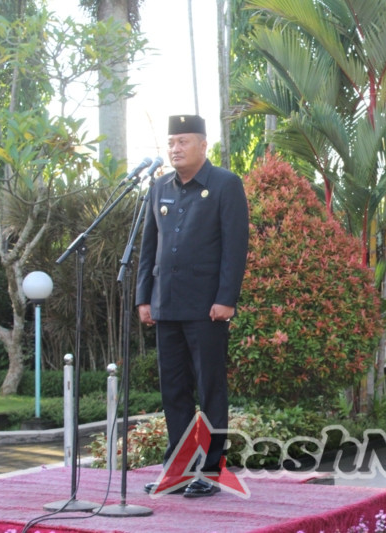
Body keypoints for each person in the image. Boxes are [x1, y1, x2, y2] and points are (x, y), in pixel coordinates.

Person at [135, 114, 249, 497]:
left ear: (203, 145)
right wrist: (144, 298)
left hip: (206, 308)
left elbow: (235, 247)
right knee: (174, 390)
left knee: (210, 389)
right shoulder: (159, 188)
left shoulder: (225, 184)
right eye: (171, 142)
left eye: (183, 141)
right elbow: (148, 247)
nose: (175, 148)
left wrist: (226, 299)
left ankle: (212, 471)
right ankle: (179, 471)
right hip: (166, 305)